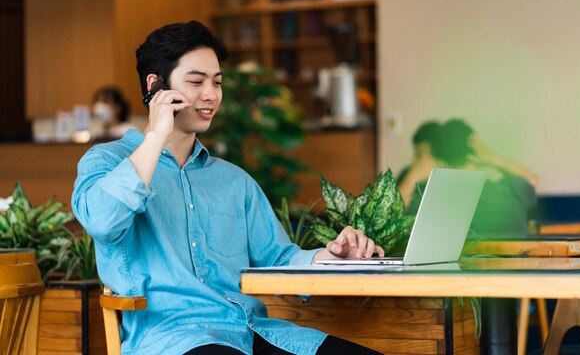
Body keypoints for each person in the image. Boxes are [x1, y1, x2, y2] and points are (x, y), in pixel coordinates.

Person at [72, 21, 384, 355]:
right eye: (196, 82)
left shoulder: (235, 181)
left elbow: (279, 259)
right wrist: (157, 135)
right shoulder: (106, 161)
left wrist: (335, 257)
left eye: (217, 83)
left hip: (252, 332)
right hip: (172, 340)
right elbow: (102, 221)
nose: (211, 95)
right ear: (156, 86)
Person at [398, 118, 538, 238]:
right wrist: (492, 157)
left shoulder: (433, 205)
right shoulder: (512, 192)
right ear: (476, 150)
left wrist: (414, 174)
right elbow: (531, 179)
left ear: (440, 161)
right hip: (518, 269)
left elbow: (391, 220)